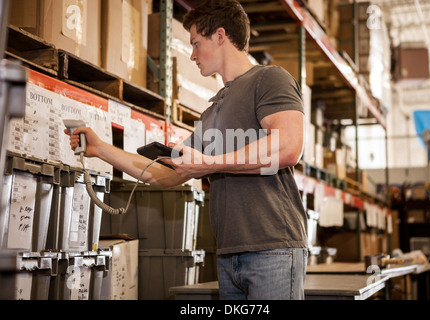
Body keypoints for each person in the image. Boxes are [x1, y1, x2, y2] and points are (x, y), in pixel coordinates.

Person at [66, 0, 308, 300]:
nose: (191, 55)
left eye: (195, 43)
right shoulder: (213, 111)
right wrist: (100, 149)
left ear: (220, 35)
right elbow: (165, 174)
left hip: (274, 248)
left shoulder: (269, 79)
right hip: (229, 254)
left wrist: (209, 163)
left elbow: (288, 147)